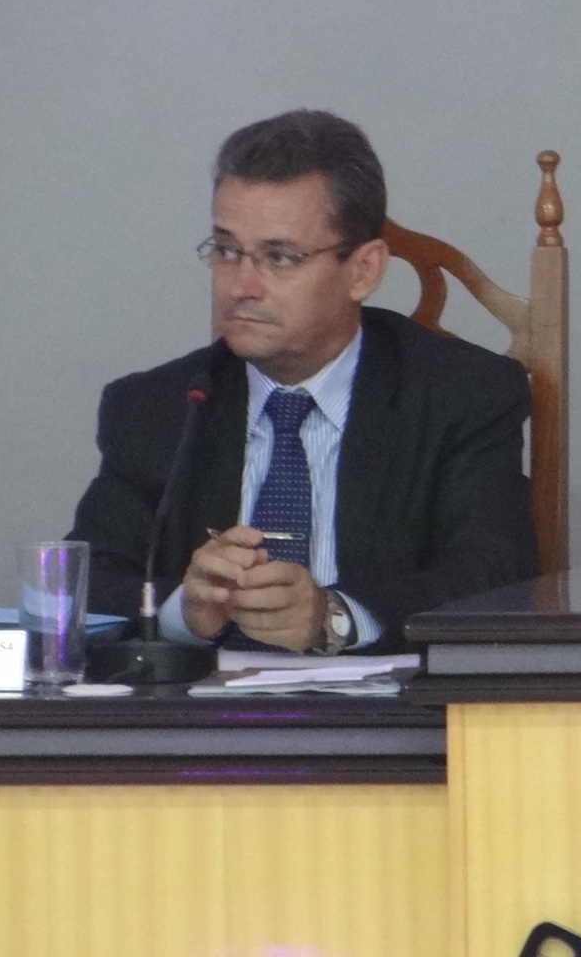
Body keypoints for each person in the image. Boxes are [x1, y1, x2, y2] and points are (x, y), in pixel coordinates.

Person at [69, 109, 538, 653]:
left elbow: (497, 575)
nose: (241, 286)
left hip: (394, 702)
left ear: (363, 270)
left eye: (279, 257)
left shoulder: (465, 395)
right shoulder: (157, 407)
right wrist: (181, 609)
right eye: (226, 251)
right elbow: (85, 582)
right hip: (203, 703)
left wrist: (334, 618)